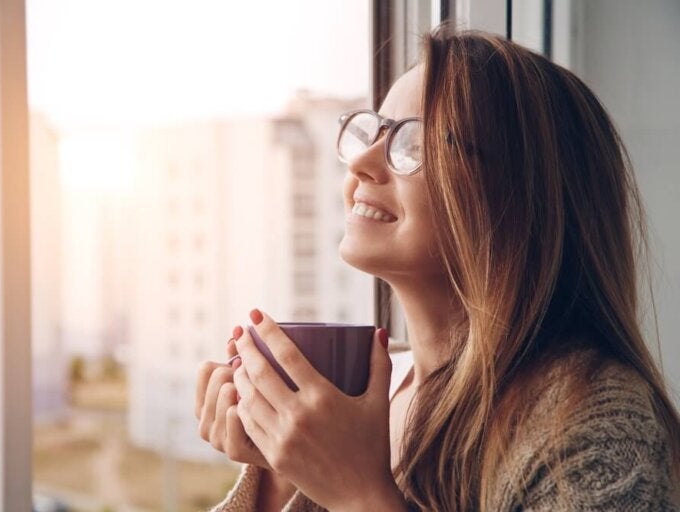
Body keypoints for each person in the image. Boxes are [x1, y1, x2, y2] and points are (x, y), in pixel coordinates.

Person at [195, 23, 680, 511]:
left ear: (525, 199)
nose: (361, 162)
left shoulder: (595, 421)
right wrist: (282, 480)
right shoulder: (366, 393)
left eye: (414, 145)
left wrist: (360, 496)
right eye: (371, 131)